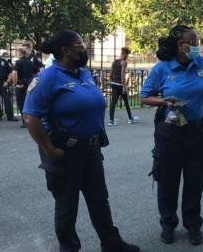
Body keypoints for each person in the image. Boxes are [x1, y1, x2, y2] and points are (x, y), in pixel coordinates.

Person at [22, 30, 139, 252]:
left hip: (91, 149)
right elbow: (30, 117)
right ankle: (69, 248)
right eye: (79, 44)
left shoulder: (83, 73)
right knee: (67, 205)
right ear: (65, 50)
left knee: (99, 200)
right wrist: (49, 149)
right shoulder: (47, 78)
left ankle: (112, 243)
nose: (83, 48)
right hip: (65, 152)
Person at [140, 25, 203, 245]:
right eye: (192, 43)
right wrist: (164, 101)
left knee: (195, 180)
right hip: (170, 132)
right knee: (167, 180)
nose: (196, 47)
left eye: (198, 42)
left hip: (196, 131)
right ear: (180, 45)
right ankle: (168, 223)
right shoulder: (162, 68)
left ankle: (193, 224)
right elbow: (144, 96)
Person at [108, 47, 138, 126]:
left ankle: (111, 121)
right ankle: (130, 119)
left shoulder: (114, 62)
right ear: (124, 54)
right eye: (127, 55)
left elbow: (110, 73)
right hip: (120, 85)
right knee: (126, 102)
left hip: (114, 84)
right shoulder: (124, 62)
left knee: (113, 102)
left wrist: (112, 81)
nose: (127, 56)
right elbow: (122, 75)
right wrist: (124, 87)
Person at [12, 46, 37, 128]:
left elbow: (14, 73)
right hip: (29, 85)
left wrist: (15, 83)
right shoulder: (31, 63)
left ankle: (25, 121)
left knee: (21, 103)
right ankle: (31, 121)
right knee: (29, 103)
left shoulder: (18, 62)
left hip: (21, 85)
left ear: (19, 53)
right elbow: (36, 75)